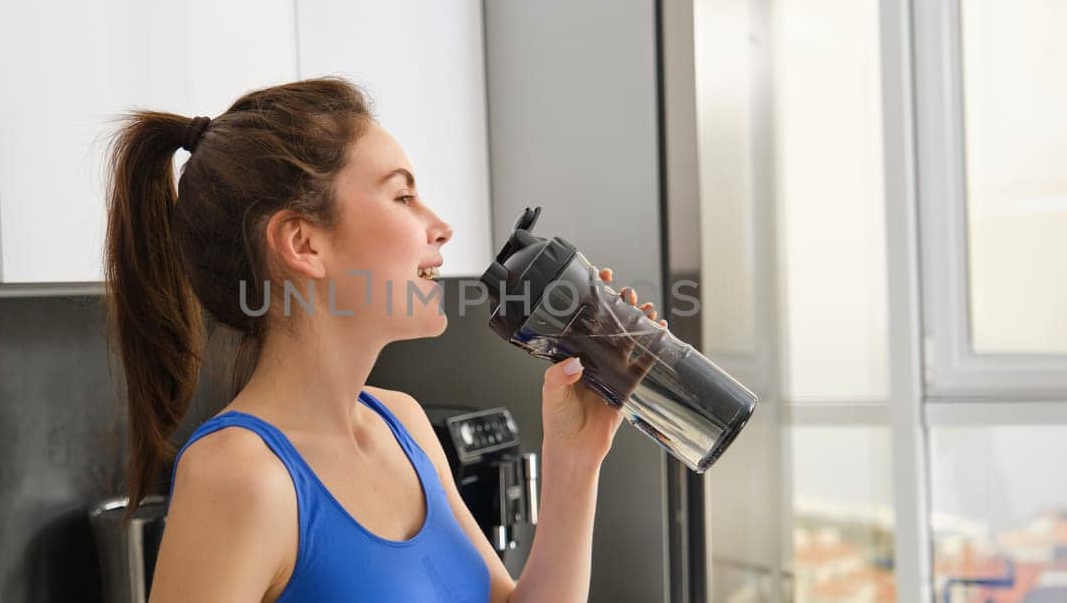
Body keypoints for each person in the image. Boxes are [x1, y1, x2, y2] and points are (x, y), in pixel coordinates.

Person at [103, 77, 664, 602]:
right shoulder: (238, 476)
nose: (440, 225)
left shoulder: (404, 425)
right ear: (303, 243)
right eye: (402, 197)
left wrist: (577, 456)